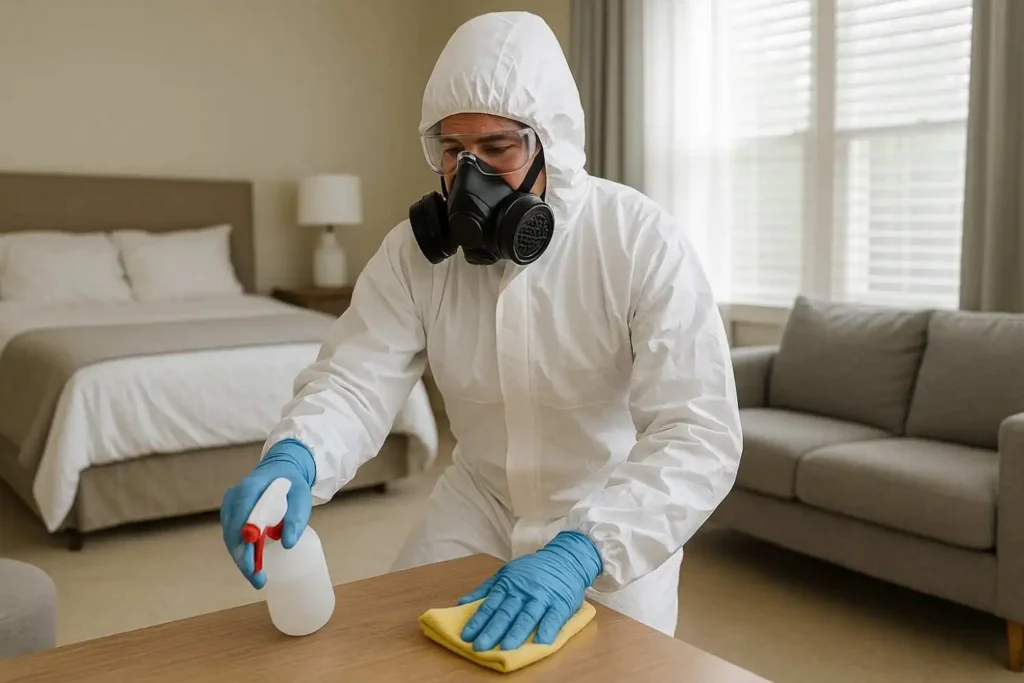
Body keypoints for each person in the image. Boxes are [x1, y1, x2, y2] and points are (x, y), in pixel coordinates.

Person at [221, 11, 742, 652]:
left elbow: (697, 432)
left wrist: (579, 553)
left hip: (611, 517)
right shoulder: (414, 254)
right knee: (396, 653)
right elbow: (355, 381)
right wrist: (295, 456)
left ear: (551, 145)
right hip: (477, 501)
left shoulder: (640, 241)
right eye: (454, 152)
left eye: (498, 149)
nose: (471, 178)